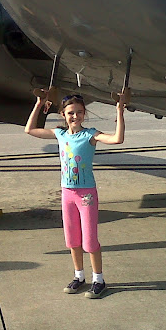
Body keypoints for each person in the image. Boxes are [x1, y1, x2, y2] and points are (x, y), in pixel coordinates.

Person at [25, 91, 126, 298]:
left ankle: (99, 280)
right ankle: (79, 276)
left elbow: (117, 139)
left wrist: (119, 111)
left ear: (84, 114)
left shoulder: (90, 135)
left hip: (86, 194)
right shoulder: (60, 134)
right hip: (67, 193)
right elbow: (30, 130)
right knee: (72, 240)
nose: (75, 116)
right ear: (63, 114)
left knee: (90, 241)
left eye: (79, 112)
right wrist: (39, 103)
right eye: (71, 113)